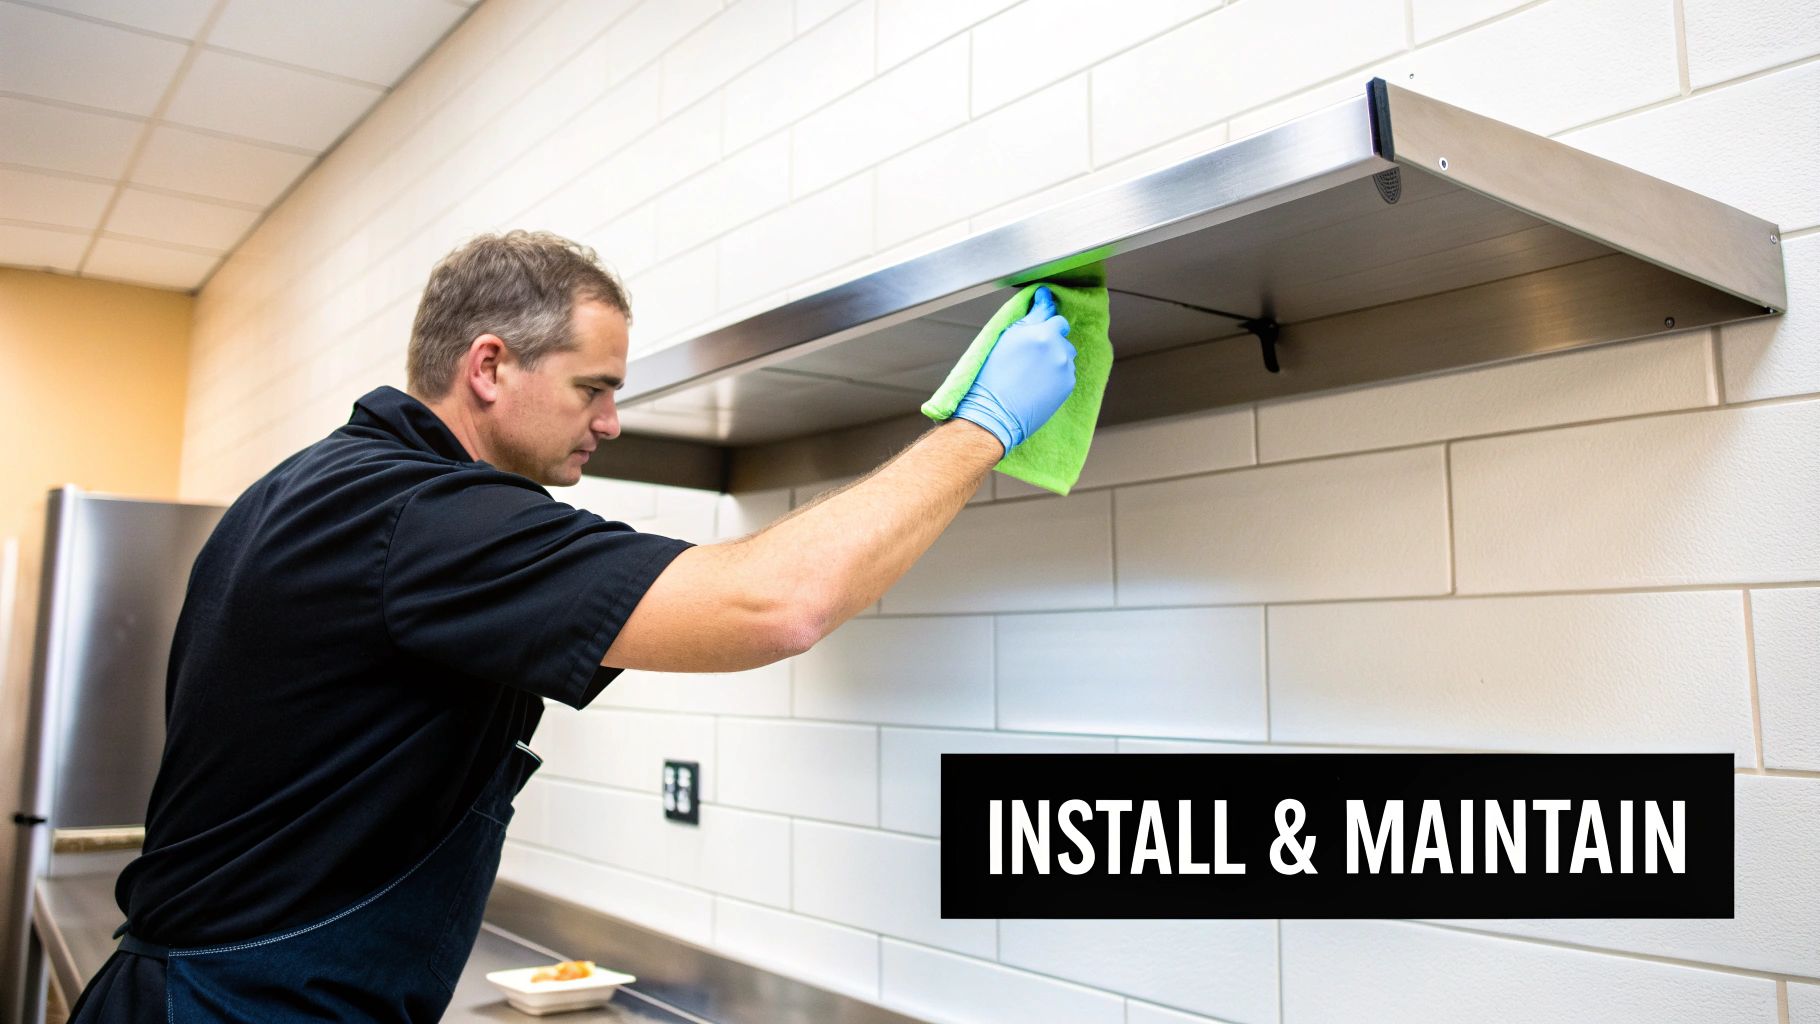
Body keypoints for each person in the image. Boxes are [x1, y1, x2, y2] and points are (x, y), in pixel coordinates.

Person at [66, 230, 1076, 1022]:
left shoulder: (305, 487)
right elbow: (777, 603)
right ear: (490, 366)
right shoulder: (422, 519)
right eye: (593, 387)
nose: (610, 422)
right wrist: (983, 426)